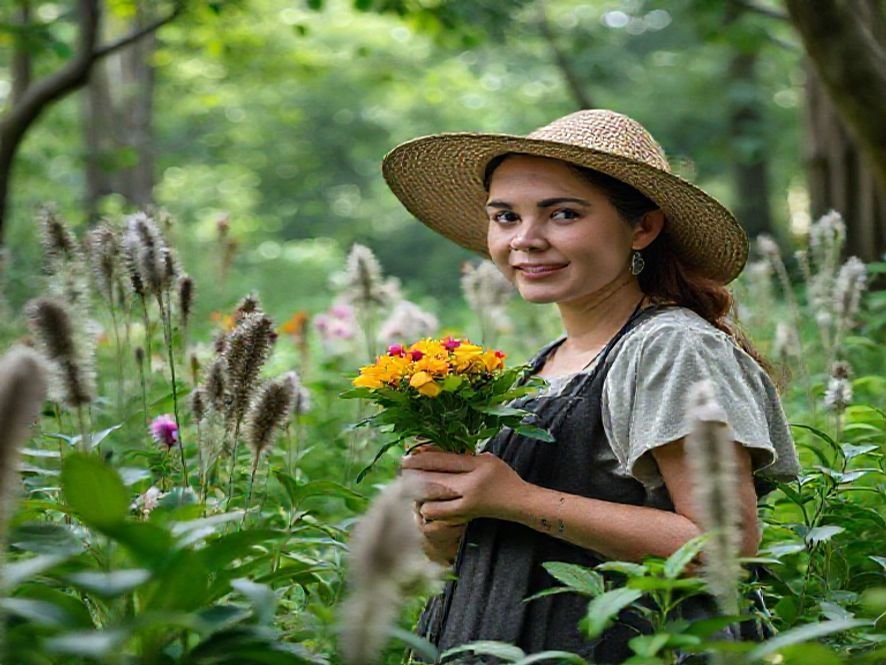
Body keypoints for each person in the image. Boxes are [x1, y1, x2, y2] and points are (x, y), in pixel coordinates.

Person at [382, 110, 800, 663]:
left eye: (562, 214)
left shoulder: (669, 348)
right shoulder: (539, 368)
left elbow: (722, 547)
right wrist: (446, 513)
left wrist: (517, 498)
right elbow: (477, 557)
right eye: (505, 216)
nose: (526, 240)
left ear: (642, 228)